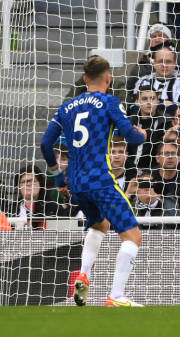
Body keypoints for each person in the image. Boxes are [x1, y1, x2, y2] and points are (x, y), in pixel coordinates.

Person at [39, 56, 147, 307]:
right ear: (108, 78)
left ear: (85, 79)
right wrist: (140, 135)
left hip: (76, 182)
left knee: (99, 224)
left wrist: (57, 177)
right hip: (101, 178)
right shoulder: (109, 101)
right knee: (133, 236)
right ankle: (116, 295)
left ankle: (84, 275)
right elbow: (130, 134)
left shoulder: (66, 107)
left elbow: (45, 144)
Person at [1, 165, 63, 230]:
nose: (28, 184)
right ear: (18, 187)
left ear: (40, 185)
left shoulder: (54, 208)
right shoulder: (9, 210)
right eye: (23, 181)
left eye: (32, 181)